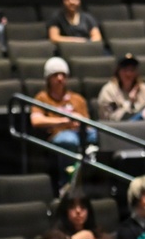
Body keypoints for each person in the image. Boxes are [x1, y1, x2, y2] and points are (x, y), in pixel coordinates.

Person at [31, 57, 97, 187]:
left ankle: (95, 178)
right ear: (48, 78)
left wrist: (79, 121)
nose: (60, 78)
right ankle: (67, 183)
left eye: (63, 75)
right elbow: (36, 120)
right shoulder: (42, 97)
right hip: (58, 134)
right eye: (55, 75)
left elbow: (88, 122)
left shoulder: (77, 98)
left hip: (80, 132)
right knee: (69, 140)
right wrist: (63, 121)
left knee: (99, 135)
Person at [96, 54, 145, 124]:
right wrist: (129, 102)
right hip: (118, 128)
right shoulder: (109, 90)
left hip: (143, 126)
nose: (128, 74)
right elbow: (108, 118)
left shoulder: (143, 88)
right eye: (125, 70)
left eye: (132, 70)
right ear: (118, 72)